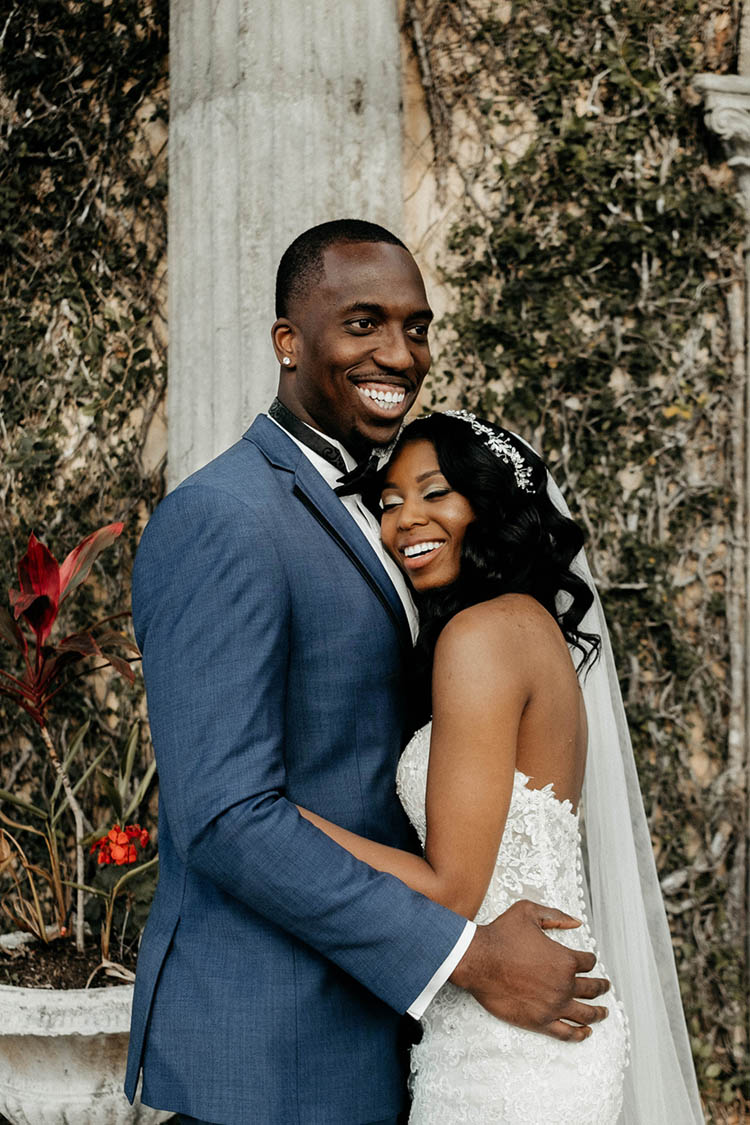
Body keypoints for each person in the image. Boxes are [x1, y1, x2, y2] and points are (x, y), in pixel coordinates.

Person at [124, 220, 610, 1125]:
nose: (401, 351)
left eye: (417, 326)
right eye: (363, 323)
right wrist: (465, 956)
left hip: (405, 1045)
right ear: (288, 341)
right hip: (274, 1055)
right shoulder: (222, 519)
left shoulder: (412, 529)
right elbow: (226, 818)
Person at [298, 410, 705, 1123]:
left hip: (515, 1049)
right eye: (390, 503)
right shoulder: (525, 627)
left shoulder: (481, 637)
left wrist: (279, 821)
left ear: (488, 503)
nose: (405, 521)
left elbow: (450, 888)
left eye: (434, 493)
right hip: (514, 1020)